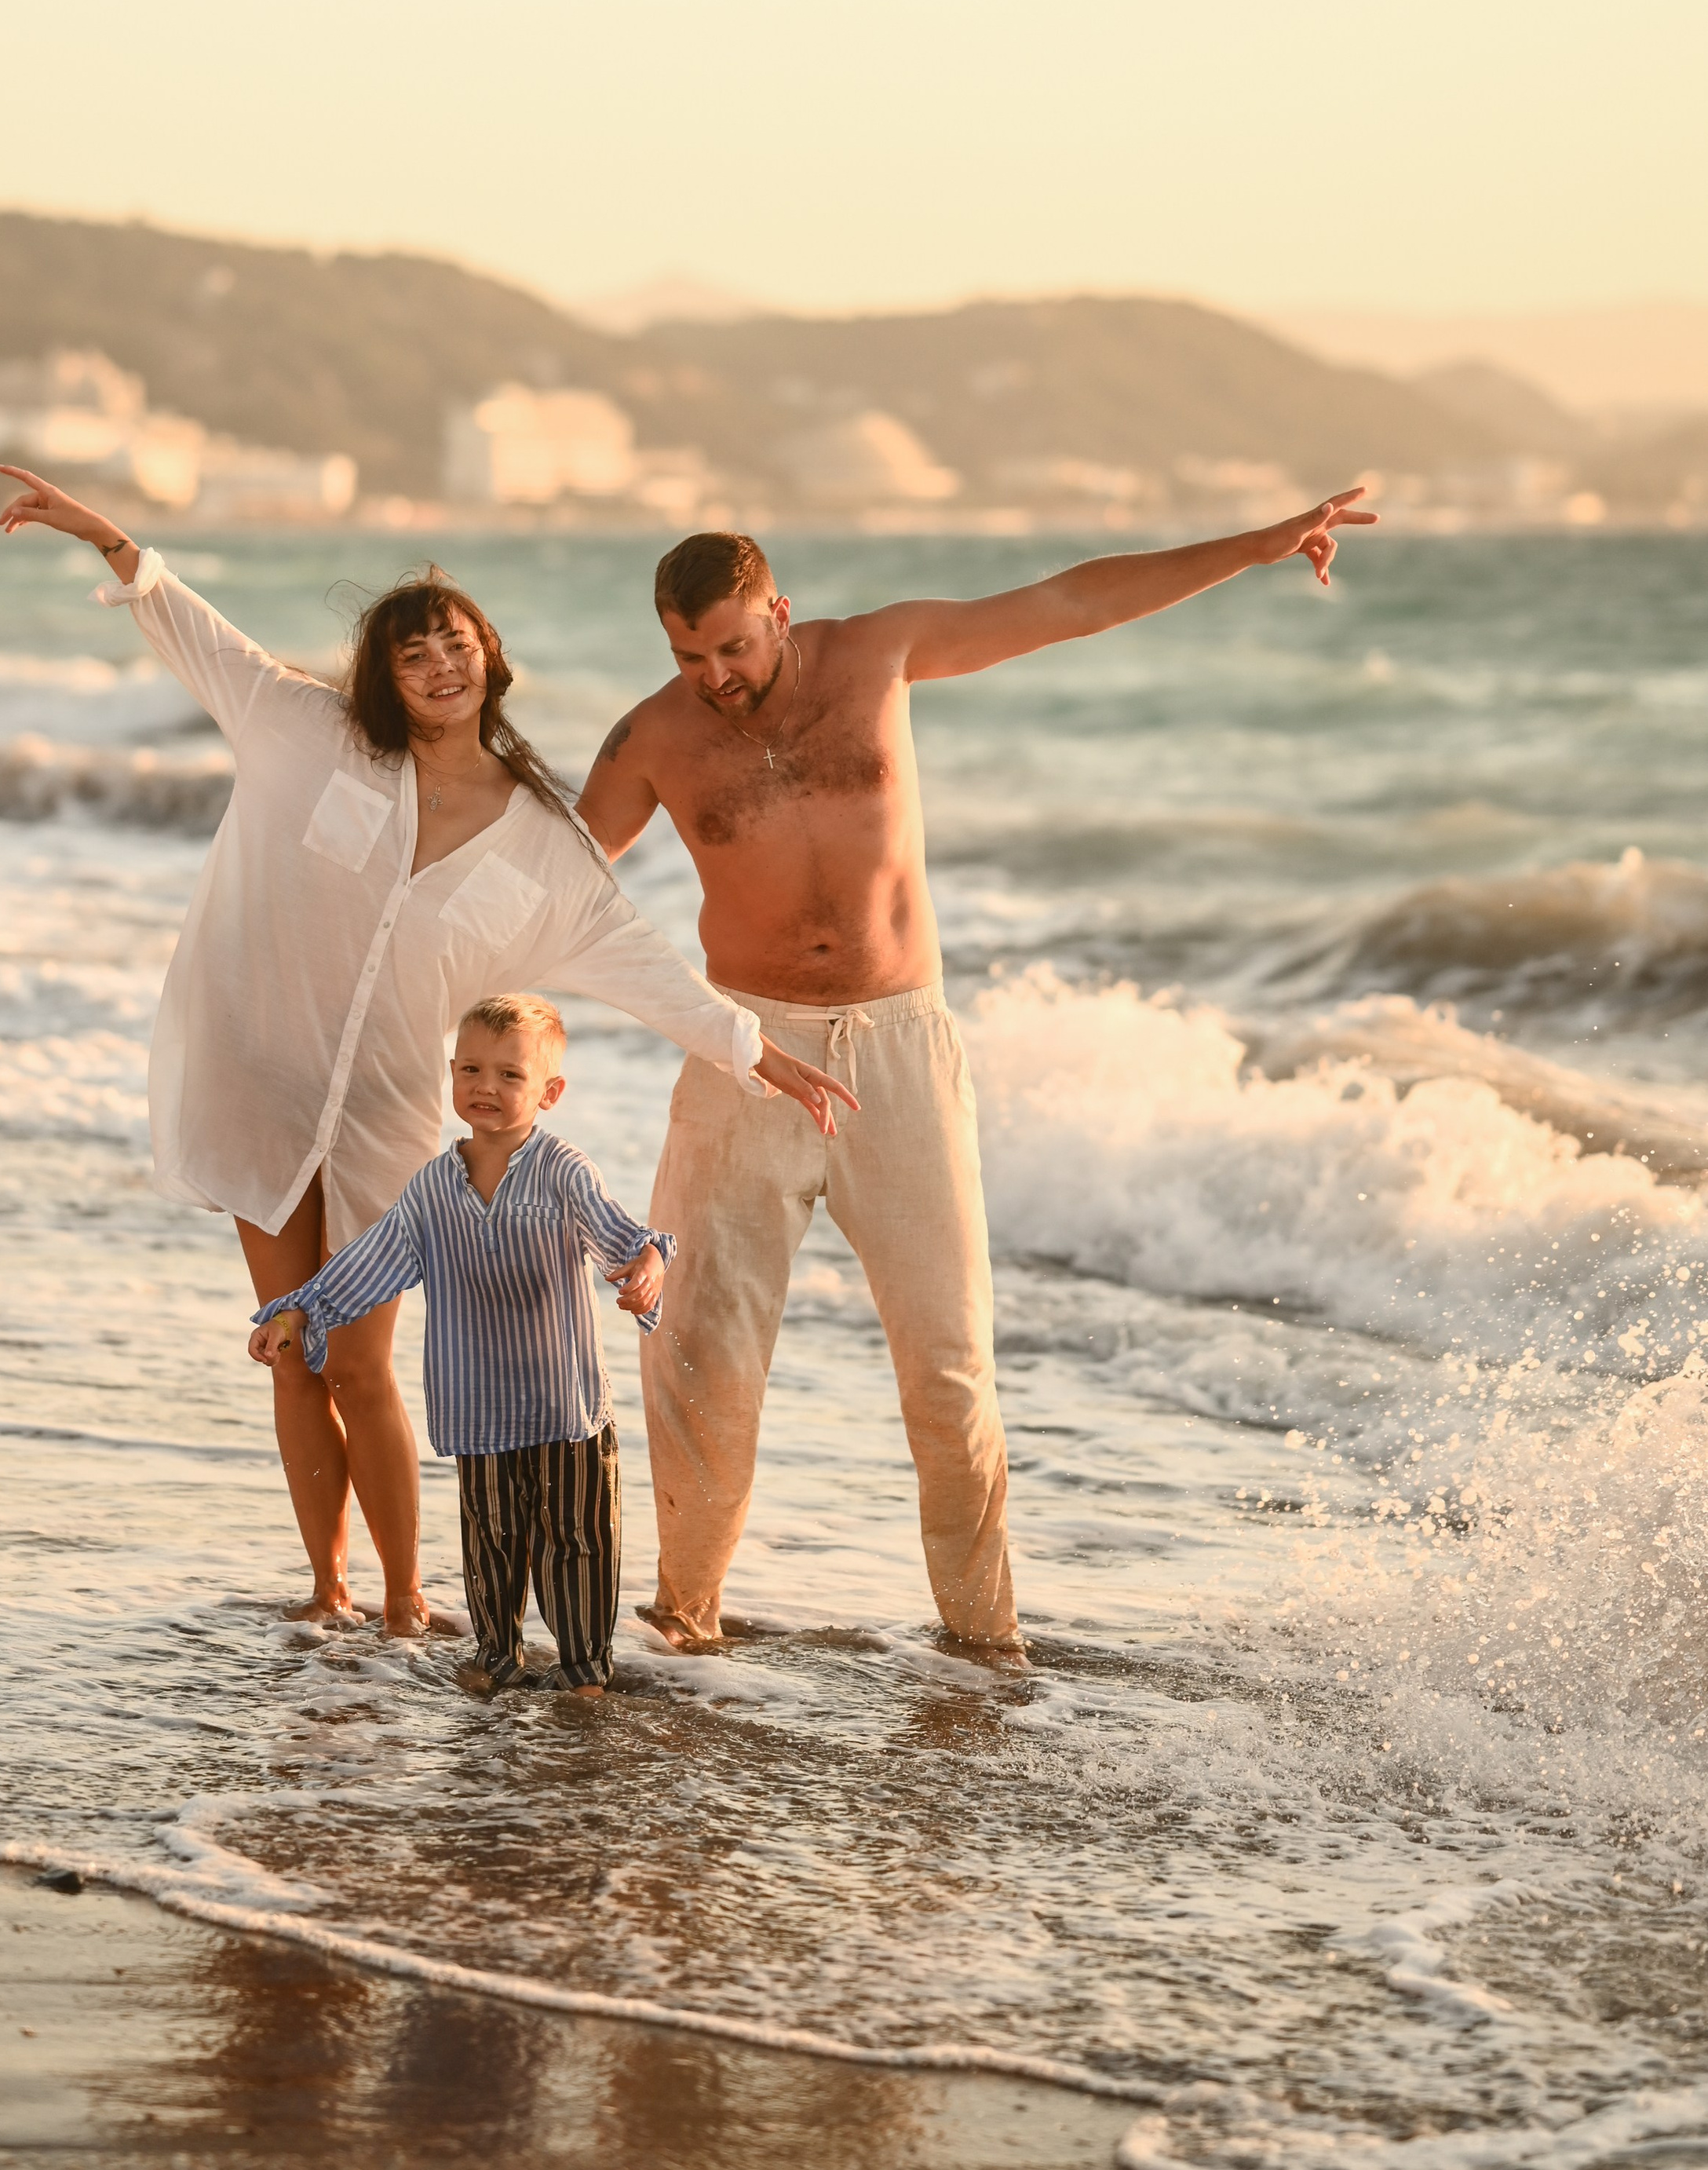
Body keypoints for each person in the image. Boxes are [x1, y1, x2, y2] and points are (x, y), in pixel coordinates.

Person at [0, 467, 846, 1634]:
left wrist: (761, 1053)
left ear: (490, 655)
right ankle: (328, 1590)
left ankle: (403, 1599)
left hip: (391, 1113)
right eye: (413, 655)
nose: (439, 666)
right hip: (262, 1077)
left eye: (455, 645)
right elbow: (202, 635)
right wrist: (109, 538)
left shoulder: (543, 839)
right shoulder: (308, 733)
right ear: (385, 677)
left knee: (361, 1366)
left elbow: (639, 961)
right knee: (293, 1347)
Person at [575, 491, 1378, 1653]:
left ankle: (985, 1643)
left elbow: (1069, 602)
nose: (714, 674)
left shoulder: (881, 655)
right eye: (688, 654)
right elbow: (554, 876)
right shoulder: (654, 735)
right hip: (745, 1055)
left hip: (898, 1049)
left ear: (780, 612)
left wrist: (1253, 547)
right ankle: (683, 1627)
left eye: (733, 646)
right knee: (702, 1367)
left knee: (950, 1379)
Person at [249, 994, 667, 1695]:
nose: (487, 1087)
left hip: (566, 1406)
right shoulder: (432, 1189)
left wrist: (646, 1267)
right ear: (450, 1076)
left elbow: (621, 1236)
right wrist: (298, 1312)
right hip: (479, 1407)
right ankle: (498, 1661)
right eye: (471, 1069)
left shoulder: (562, 1169)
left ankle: (585, 1674)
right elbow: (370, 1261)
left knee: (578, 1544)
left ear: (549, 1092)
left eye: (510, 1075)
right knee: (492, 1544)